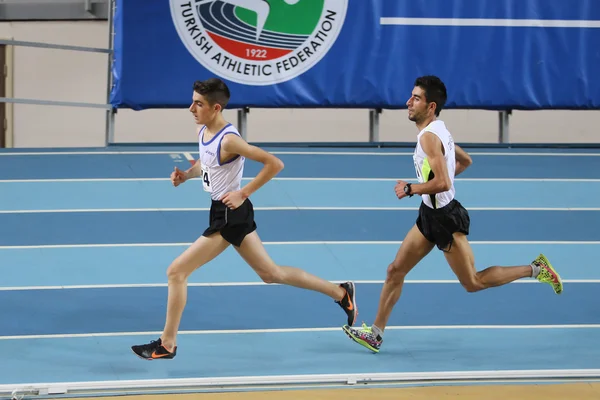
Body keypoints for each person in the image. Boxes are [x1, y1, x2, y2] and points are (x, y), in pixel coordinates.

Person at [131, 78, 358, 360]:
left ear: (215, 108)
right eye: (192, 101)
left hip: (230, 214)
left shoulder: (230, 140)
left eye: (198, 104)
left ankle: (167, 344)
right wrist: (186, 176)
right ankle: (340, 292)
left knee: (176, 272)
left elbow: (274, 163)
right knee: (270, 274)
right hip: (225, 210)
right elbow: (207, 162)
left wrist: (243, 192)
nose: (191, 108)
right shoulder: (204, 130)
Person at [341, 75, 563, 353]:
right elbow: (465, 161)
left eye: (416, 98)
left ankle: (537, 269)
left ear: (431, 106)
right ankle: (375, 334)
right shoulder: (438, 129)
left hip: (445, 219)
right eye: (411, 96)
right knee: (395, 270)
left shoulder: (430, 138)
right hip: (429, 215)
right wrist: (429, 190)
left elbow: (444, 182)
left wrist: (412, 188)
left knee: (474, 282)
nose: (408, 102)